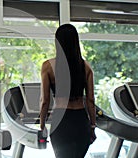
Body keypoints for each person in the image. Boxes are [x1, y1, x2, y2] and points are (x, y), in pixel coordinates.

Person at [39, 24, 96, 158]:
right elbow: (90, 100)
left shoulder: (48, 66)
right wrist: (92, 126)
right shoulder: (86, 67)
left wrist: (42, 126)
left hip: (61, 120)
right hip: (81, 120)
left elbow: (45, 101)